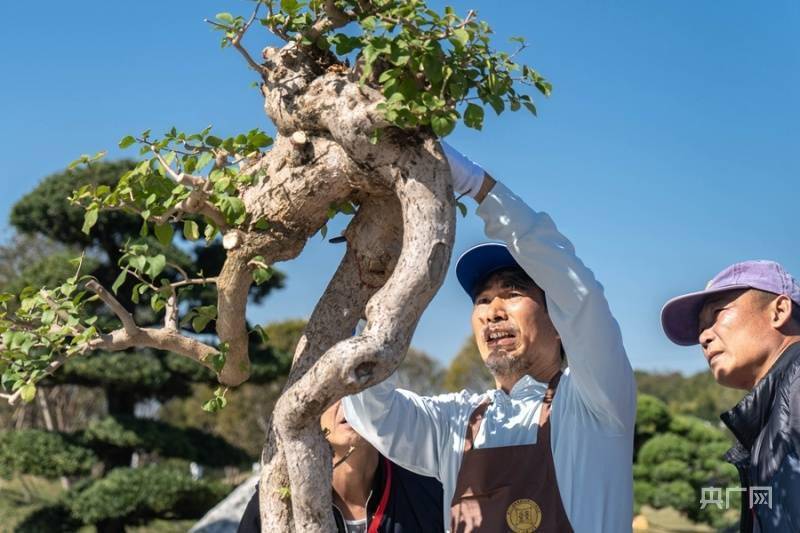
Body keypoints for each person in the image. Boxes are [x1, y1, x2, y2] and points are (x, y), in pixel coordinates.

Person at [342, 143, 637, 532]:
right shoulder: (453, 422)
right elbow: (370, 406)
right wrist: (390, 290)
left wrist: (477, 186)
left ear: (559, 318)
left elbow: (579, 292)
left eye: (513, 292)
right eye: (482, 299)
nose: (493, 310)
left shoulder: (594, 404)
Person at [661, 260, 800, 532]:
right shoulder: (772, 414)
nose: (704, 337)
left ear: (779, 311)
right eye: (702, 326)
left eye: (717, 313)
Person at [237, 399, 444, 533]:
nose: (349, 402)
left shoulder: (426, 487)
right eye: (334, 391)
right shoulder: (277, 498)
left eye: (361, 389)